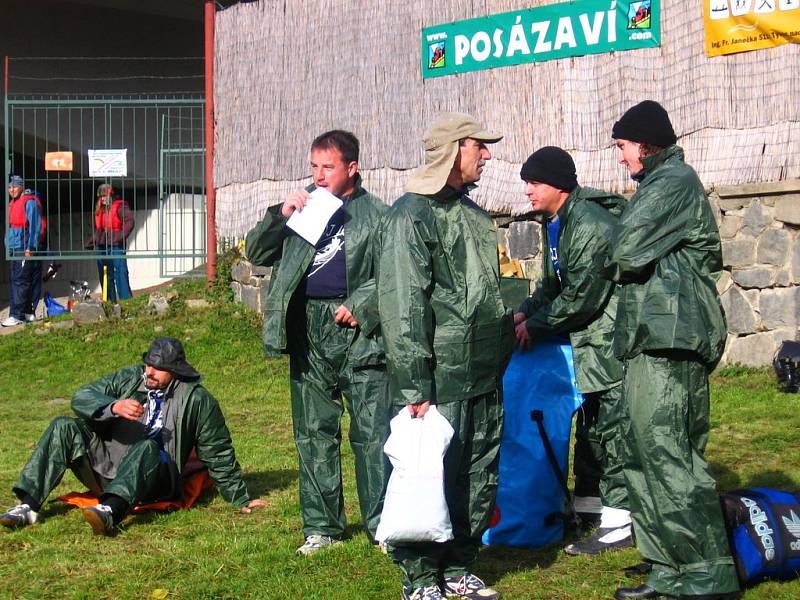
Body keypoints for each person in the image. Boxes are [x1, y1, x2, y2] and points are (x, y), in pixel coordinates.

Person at [603, 101, 740, 600]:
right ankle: (668, 567)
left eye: (621, 146)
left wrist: (623, 231)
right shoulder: (655, 187)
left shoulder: (674, 181)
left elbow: (626, 249)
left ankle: (707, 570)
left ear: (644, 143)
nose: (619, 157)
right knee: (642, 455)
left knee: (670, 454)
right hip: (650, 336)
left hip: (673, 337)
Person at [377, 113, 515, 600]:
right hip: (439, 376)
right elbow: (403, 305)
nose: (488, 154)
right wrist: (415, 385)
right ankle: (419, 576)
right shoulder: (409, 217)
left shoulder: (476, 217)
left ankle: (459, 565)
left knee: (478, 471)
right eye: (480, 145)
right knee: (429, 473)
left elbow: (486, 295)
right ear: (453, 149)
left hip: (483, 373)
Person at [245, 130, 391, 555]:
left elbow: (394, 271)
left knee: (371, 430)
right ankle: (322, 526)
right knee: (313, 430)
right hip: (308, 327)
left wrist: (364, 303)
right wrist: (280, 214)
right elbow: (256, 251)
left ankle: (381, 524)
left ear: (352, 168)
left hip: (359, 332)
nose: (320, 176)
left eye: (328, 167)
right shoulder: (303, 206)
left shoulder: (376, 213)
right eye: (314, 166)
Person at [0, 337, 266, 535]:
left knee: (147, 446)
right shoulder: (131, 379)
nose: (149, 372)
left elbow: (217, 450)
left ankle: (110, 512)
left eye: (157, 368)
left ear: (175, 371)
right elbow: (81, 396)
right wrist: (113, 406)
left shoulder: (197, 399)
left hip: (156, 477)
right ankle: (28, 506)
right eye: (148, 364)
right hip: (108, 467)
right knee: (63, 425)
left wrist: (240, 498)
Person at [512, 146, 632, 556]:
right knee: (590, 423)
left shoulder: (592, 225)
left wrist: (537, 326)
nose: (527, 190)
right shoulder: (556, 222)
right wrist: (524, 312)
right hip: (587, 342)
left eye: (534, 182)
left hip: (609, 338)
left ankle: (620, 522)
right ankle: (589, 508)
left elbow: (584, 295)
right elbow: (552, 285)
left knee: (612, 426)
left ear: (559, 185)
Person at [3, 175, 44, 326]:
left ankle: (16, 315)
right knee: (19, 279)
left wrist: (30, 247)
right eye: (9, 187)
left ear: (21, 187)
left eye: (14, 187)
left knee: (21, 281)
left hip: (23, 245)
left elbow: (35, 226)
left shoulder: (29, 202)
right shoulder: (13, 203)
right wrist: (7, 241)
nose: (11, 190)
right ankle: (27, 312)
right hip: (14, 246)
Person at [86, 183, 134, 302]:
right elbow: (100, 230)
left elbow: (130, 222)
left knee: (120, 272)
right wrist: (91, 241)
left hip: (116, 245)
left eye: (105, 196)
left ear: (111, 195)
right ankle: (109, 300)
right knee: (105, 275)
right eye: (100, 196)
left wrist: (119, 236)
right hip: (102, 246)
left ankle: (125, 301)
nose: (102, 198)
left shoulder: (120, 207)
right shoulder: (100, 210)